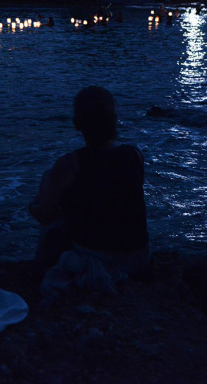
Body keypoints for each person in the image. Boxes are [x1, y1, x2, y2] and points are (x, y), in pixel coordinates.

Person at [29, 87, 150, 293]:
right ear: (114, 120)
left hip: (98, 256)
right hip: (140, 257)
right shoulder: (135, 154)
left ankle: (40, 267)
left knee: (49, 180)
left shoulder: (70, 164)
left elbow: (45, 215)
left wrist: (33, 205)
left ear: (77, 125)